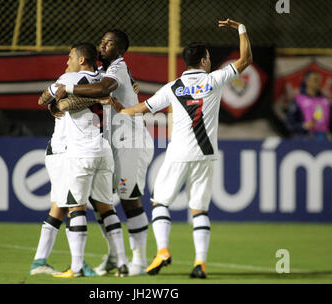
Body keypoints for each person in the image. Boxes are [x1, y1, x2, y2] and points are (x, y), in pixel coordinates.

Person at [118, 19, 253, 279]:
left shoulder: (174, 87)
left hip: (178, 153)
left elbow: (143, 109)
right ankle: (200, 264)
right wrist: (241, 29)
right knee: (199, 210)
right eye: (209, 58)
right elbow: (245, 59)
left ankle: (163, 251)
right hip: (206, 154)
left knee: (160, 203)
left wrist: (120, 110)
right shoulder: (214, 80)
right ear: (203, 61)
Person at [54, 30, 154, 276]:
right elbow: (104, 85)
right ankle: (113, 256)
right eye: (101, 42)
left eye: (108, 44)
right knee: (101, 202)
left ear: (119, 50)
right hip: (115, 145)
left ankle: (139, 262)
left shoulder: (117, 68)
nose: (102, 46)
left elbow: (103, 89)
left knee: (130, 199)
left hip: (131, 142)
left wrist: (67, 87)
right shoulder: (109, 71)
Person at [39, 42, 130, 278]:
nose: (66, 61)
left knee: (76, 208)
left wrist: (57, 100)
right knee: (106, 208)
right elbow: (109, 93)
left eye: (69, 57)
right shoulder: (104, 79)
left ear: (81, 60)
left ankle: (77, 267)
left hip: (81, 152)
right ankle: (121, 263)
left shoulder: (69, 79)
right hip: (104, 150)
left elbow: (43, 99)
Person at [286, 70, 332, 140]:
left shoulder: (325, 100)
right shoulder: (298, 100)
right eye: (315, 80)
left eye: (319, 80)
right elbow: (289, 124)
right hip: (304, 138)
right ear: (307, 81)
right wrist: (303, 126)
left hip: (322, 138)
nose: (318, 83)